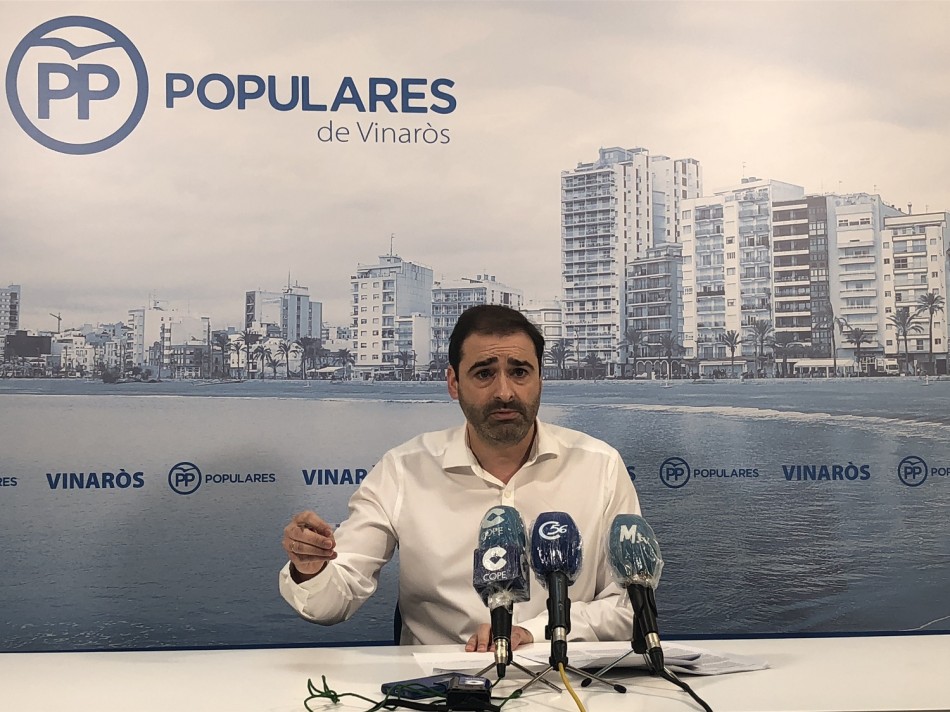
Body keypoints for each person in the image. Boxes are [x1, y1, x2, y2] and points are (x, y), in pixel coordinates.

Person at [279, 305, 641, 651]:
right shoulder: (404, 470)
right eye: (484, 374)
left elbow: (628, 606)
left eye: (519, 372)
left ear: (540, 380)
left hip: (569, 678)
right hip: (439, 680)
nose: (504, 392)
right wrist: (311, 569)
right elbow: (332, 601)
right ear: (454, 383)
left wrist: (532, 633)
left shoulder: (600, 466)